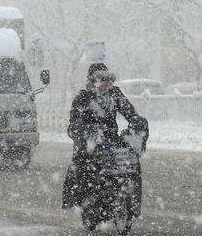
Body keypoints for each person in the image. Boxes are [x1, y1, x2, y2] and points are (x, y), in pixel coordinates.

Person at [62, 63, 148, 214]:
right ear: (92, 81)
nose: (105, 84)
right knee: (80, 165)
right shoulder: (83, 97)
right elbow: (74, 123)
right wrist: (82, 133)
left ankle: (133, 204)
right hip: (89, 142)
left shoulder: (115, 94)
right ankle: (79, 199)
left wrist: (138, 123)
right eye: (101, 80)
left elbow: (130, 113)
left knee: (132, 163)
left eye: (108, 80)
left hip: (111, 141)